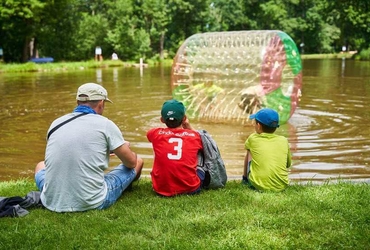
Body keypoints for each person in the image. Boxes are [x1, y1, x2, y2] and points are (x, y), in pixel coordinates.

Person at [34, 83, 143, 212]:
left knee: (41, 165)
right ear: (101, 103)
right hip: (92, 201)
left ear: (77, 101)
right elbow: (131, 163)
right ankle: (126, 187)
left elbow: (67, 150)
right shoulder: (105, 124)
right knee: (138, 161)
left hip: (51, 201)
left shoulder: (56, 123)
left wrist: (103, 151)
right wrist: (124, 148)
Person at [146, 99, 204, 197]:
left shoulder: (154, 133)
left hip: (160, 189)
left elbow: (151, 136)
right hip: (190, 188)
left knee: (157, 145)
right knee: (201, 152)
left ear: (162, 120)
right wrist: (189, 127)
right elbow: (204, 142)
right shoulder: (194, 136)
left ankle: (163, 177)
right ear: (184, 118)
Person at [242, 108, 291, 192]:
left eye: (255, 122)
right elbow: (288, 164)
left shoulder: (253, 138)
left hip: (258, 186)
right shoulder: (283, 140)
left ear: (258, 126)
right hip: (281, 186)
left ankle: (245, 179)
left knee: (249, 151)